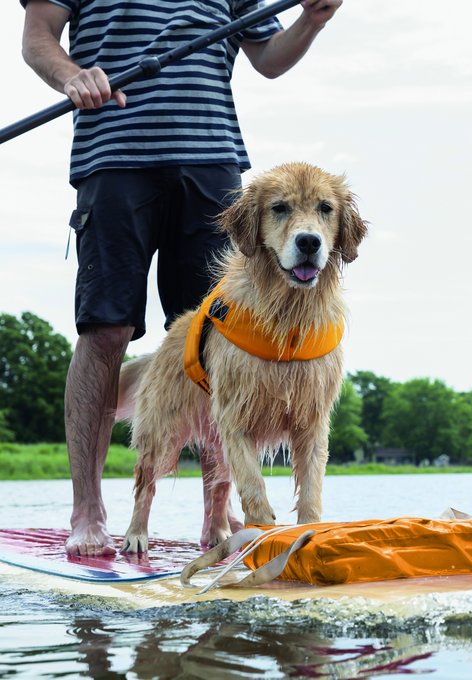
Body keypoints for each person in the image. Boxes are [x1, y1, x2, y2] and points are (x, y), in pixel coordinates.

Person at [20, 0, 342, 556]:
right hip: (114, 158)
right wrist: (72, 76)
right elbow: (37, 34)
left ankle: (216, 519)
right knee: (106, 330)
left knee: (214, 342)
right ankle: (88, 511)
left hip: (211, 162)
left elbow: (268, 57)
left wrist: (310, 21)